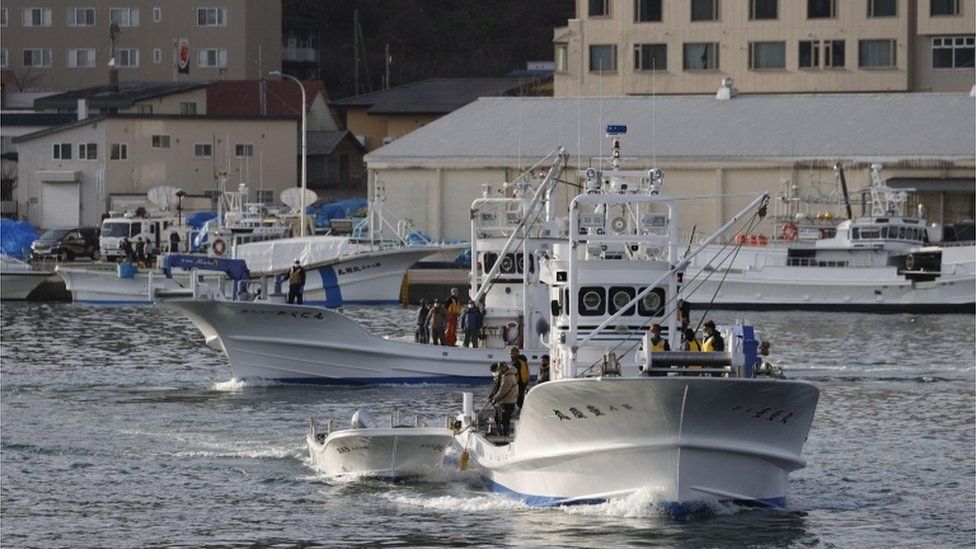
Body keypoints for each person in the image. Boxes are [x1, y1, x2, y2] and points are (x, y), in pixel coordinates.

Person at [490, 361, 519, 436]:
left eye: (500, 369)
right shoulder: (508, 375)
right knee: (500, 418)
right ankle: (502, 434)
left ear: (505, 368)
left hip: (507, 402)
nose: (499, 371)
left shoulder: (507, 378)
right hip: (508, 401)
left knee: (504, 420)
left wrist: (495, 399)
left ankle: (505, 436)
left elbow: (502, 391)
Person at [509, 346, 530, 410]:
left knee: (518, 398)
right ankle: (521, 409)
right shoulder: (523, 360)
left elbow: (513, 372)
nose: (510, 355)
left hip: (518, 382)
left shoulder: (516, 362)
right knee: (521, 397)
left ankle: (520, 410)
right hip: (524, 381)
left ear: (514, 353)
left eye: (510, 353)